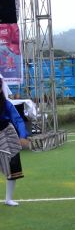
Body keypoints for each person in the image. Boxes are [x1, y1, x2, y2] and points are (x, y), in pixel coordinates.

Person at [0, 77, 29, 206]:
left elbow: (17, 120)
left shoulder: (6, 104)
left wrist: (22, 135)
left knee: (13, 165)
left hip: (7, 134)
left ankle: (8, 199)